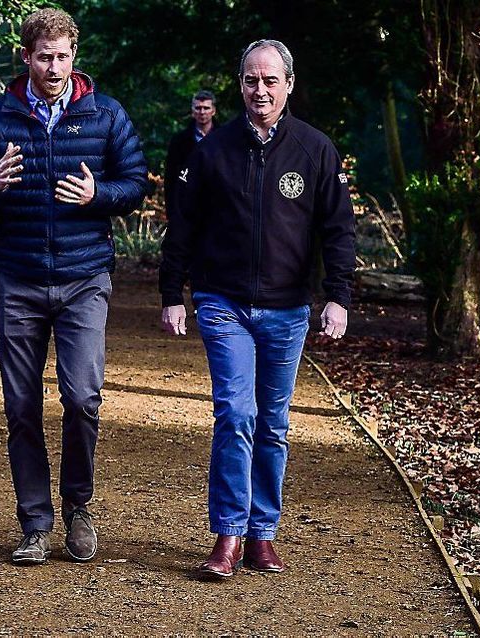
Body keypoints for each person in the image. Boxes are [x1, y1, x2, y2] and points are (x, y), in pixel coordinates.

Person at [0, 8, 148, 565]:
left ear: (73, 56)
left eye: (62, 57)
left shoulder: (105, 115)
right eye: (43, 57)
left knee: (82, 398)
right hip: (20, 280)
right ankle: (34, 522)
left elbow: (134, 183)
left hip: (85, 279)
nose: (54, 67)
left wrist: (97, 196)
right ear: (26, 57)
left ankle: (79, 507)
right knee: (21, 405)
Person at [158, 39, 355, 578]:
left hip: (287, 310)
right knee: (235, 414)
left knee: (272, 423)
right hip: (223, 304)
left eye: (270, 80)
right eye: (250, 80)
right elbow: (184, 226)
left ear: (288, 84)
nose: (260, 90)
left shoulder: (315, 150)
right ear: (239, 85)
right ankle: (227, 533)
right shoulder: (212, 151)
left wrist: (337, 296)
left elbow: (338, 230)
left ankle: (262, 533)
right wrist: (172, 292)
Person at [163, 90, 217, 215]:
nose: (202, 112)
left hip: (216, 208)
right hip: (187, 208)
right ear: (192, 111)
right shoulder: (179, 141)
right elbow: (170, 179)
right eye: (198, 108)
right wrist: (172, 212)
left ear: (213, 111)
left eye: (206, 108)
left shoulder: (224, 139)